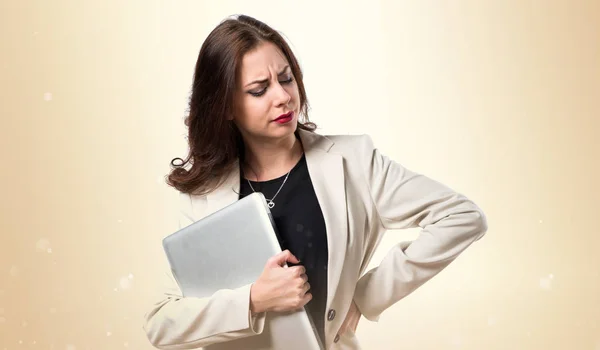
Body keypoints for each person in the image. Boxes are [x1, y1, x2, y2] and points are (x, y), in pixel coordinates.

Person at [142, 14, 488, 350]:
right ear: (227, 107)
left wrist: (368, 295)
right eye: (259, 90)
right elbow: (161, 322)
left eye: (286, 78)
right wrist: (254, 300)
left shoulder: (355, 161)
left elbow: (461, 216)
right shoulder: (205, 195)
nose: (283, 97)